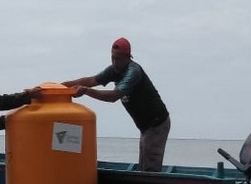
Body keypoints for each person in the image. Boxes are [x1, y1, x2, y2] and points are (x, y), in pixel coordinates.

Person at [62, 37, 170, 172]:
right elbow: (92, 80)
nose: (114, 62)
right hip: (145, 126)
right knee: (143, 164)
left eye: (118, 59)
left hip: (157, 123)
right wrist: (62, 86)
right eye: (112, 58)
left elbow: (114, 96)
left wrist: (86, 91)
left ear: (127, 57)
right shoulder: (114, 69)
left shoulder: (133, 72)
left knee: (150, 167)